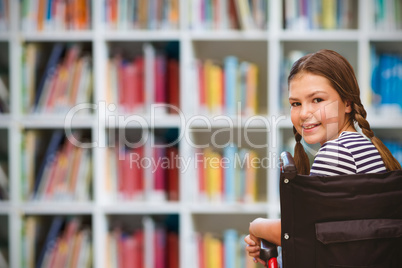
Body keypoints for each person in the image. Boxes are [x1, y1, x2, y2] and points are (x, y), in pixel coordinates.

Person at [244, 49, 401, 266]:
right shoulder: (365, 147)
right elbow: (332, 239)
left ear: (347, 103)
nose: (304, 113)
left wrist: (257, 226)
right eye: (296, 103)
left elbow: (302, 234)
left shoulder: (335, 154)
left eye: (317, 99)